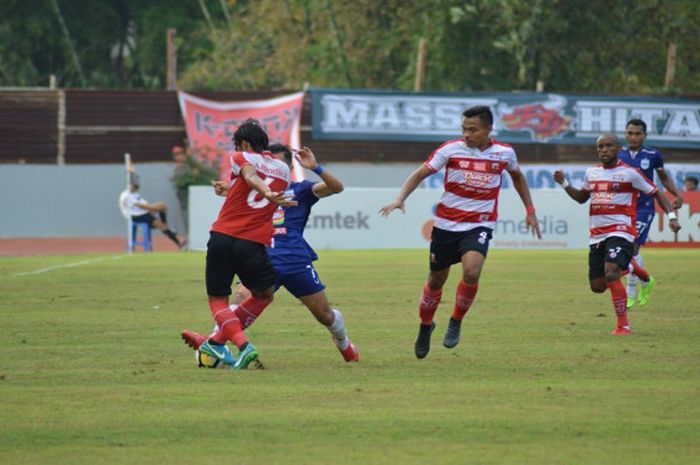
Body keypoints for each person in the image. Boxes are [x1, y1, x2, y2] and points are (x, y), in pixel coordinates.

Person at [379, 105, 542, 359]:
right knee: (436, 281)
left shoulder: (504, 153)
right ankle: (425, 326)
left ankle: (456, 320)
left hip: (480, 223)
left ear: (489, 129)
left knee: (472, 271)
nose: (467, 134)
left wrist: (530, 210)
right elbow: (421, 173)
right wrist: (400, 198)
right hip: (446, 225)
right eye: (464, 129)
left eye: (473, 130)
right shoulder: (451, 150)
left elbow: (518, 177)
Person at [182, 144, 359, 363]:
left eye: (276, 163)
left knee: (325, 315)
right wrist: (229, 189)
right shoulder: (256, 190)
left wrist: (316, 168)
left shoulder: (300, 190)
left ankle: (343, 343)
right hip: (260, 255)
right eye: (268, 163)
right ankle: (213, 344)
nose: (271, 168)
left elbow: (337, 188)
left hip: (295, 260)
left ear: (288, 166)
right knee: (241, 296)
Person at [190, 119, 297, 370]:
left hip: (223, 236)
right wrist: (235, 189)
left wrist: (261, 189)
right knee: (264, 295)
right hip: (253, 243)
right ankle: (215, 342)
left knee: (218, 299)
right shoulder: (283, 169)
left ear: (245, 144)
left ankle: (242, 345)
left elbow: (250, 175)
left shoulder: (240, 157)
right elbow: (254, 191)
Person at [553, 133, 681, 335]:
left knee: (611, 272)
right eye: (600, 147)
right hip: (597, 235)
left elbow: (656, 192)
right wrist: (564, 183)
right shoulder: (591, 173)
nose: (604, 150)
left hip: (621, 231)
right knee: (598, 286)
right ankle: (635, 269)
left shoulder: (631, 173)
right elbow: (581, 198)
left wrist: (672, 216)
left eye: (608, 146)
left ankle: (623, 326)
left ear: (618, 149)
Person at [618, 119, 683, 308]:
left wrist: (677, 195)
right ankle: (646, 281)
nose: (633, 137)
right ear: (625, 134)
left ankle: (631, 293)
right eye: (630, 133)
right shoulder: (618, 153)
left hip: (644, 208)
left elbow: (663, 179)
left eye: (637, 134)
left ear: (644, 136)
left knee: (632, 247)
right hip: (622, 208)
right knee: (626, 249)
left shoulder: (653, 155)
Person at [120, 174, 184, 249]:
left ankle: (177, 241)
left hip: (143, 214)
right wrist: (153, 208)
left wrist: (152, 209)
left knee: (162, 209)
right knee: (161, 211)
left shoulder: (135, 194)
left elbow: (144, 204)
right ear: (131, 184)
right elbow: (140, 205)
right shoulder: (126, 195)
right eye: (135, 185)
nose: (136, 187)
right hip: (135, 217)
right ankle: (177, 241)